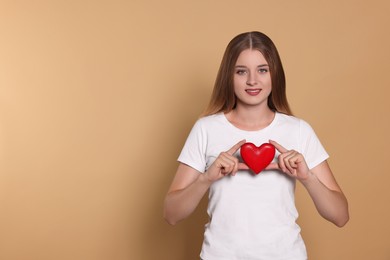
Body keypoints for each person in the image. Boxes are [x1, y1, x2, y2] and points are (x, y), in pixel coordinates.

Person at [163, 31, 349, 260]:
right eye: (241, 71)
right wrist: (206, 178)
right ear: (228, 76)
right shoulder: (206, 129)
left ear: (275, 74)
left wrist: (307, 177)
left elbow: (340, 216)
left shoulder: (298, 130)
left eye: (262, 70)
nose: (253, 80)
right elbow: (171, 214)